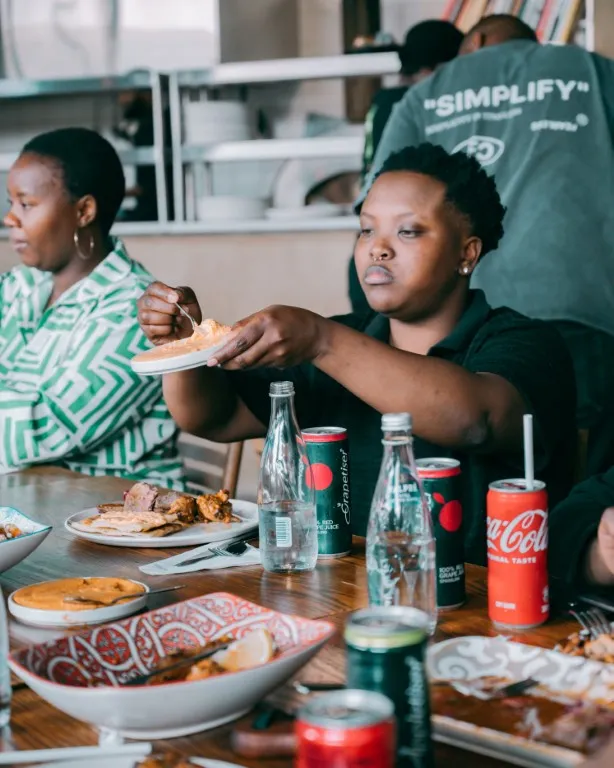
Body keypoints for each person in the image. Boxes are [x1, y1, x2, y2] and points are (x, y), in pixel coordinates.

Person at [138, 143, 575, 566]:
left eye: (407, 231)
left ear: (467, 252)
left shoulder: (524, 343)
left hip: (475, 604)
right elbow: (215, 418)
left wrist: (322, 340)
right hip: (338, 593)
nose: (378, 247)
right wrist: (185, 348)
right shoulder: (342, 340)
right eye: (366, 229)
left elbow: (473, 420)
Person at [356, 13, 614, 476]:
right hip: (587, 309)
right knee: (586, 480)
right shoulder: (594, 71)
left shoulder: (426, 93)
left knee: (471, 466)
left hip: (470, 329)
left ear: (475, 40)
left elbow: (384, 191)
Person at [0, 127, 183, 486]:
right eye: (11, 203)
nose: (10, 218)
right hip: (28, 499)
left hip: (119, 511)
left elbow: (46, 428)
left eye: (26, 204)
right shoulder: (21, 286)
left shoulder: (136, 312)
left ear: (84, 211)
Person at [351, 19, 463, 315]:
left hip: (369, 250)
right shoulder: (423, 106)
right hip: (399, 258)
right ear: (441, 67)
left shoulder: (383, 101)